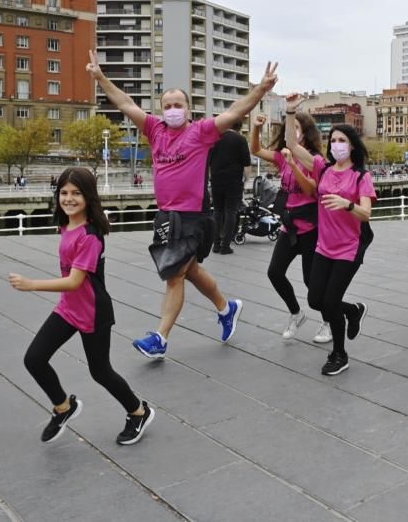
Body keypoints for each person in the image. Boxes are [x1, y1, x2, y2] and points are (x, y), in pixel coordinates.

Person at [87, 50, 278, 359]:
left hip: (194, 218)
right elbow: (124, 103)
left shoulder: (201, 132)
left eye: (178, 105)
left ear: (189, 110)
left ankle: (160, 338)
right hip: (166, 217)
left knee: (174, 276)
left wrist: (261, 90)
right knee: (190, 271)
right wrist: (99, 77)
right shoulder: (154, 129)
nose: (172, 110)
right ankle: (227, 308)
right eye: (167, 106)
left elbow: (234, 112)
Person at [8, 168, 154, 446]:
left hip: (93, 311)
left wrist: (31, 284)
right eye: (64, 192)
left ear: (88, 197)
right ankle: (64, 407)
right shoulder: (67, 225)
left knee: (100, 371)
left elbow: (75, 281)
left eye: (76, 193)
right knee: (34, 359)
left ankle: (139, 411)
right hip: (68, 308)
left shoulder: (89, 236)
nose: (69, 198)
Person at [285, 93, 376, 376]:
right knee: (315, 300)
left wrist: (347, 204)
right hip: (324, 246)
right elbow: (289, 144)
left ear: (352, 146)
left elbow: (366, 213)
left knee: (330, 301)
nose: (336, 145)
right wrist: (289, 112)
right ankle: (353, 310)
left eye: (342, 141)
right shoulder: (322, 168)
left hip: (349, 247)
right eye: (333, 140)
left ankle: (339, 354)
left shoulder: (361, 177)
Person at [249, 111, 329, 342]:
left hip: (311, 228)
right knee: (274, 272)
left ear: (305, 133)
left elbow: (310, 190)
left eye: (295, 128)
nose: (290, 133)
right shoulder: (283, 156)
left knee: (311, 281)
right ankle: (296, 313)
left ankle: (328, 321)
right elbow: (256, 150)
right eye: (288, 129)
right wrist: (255, 128)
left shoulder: (314, 160)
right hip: (289, 226)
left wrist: (294, 164)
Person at [209, 128, 251, 254]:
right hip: (234, 181)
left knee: (218, 211)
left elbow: (209, 162)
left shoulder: (214, 137)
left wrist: (212, 178)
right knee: (231, 211)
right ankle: (225, 246)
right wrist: (245, 180)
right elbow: (247, 164)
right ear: (238, 127)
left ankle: (215, 244)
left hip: (216, 180)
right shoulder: (240, 139)